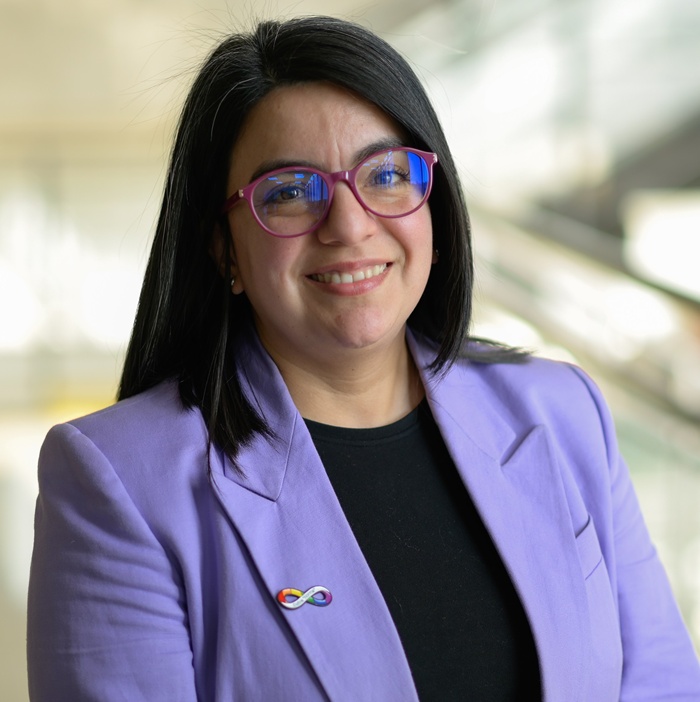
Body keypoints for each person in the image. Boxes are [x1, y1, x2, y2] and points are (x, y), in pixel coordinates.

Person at [27, 15, 700, 702]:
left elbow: (662, 685)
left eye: (386, 175)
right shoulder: (118, 482)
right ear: (224, 247)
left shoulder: (561, 412)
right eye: (290, 192)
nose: (349, 226)